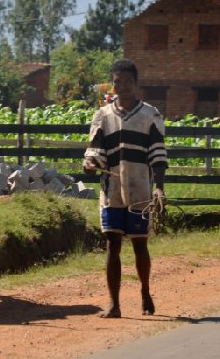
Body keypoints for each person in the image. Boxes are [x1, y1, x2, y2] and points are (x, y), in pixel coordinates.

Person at [83, 59, 168, 318]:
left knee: (140, 245)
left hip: (141, 188)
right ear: (113, 84)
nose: (123, 86)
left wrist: (159, 188)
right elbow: (95, 151)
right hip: (111, 190)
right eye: (118, 82)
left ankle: (145, 290)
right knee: (112, 244)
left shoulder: (150, 115)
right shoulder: (103, 116)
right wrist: (91, 164)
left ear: (136, 83)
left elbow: (158, 155)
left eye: (128, 82)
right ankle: (114, 303)